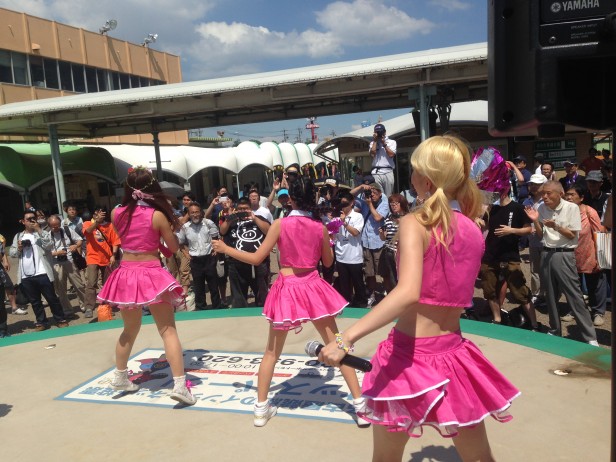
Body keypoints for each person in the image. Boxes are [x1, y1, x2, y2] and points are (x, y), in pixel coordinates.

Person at [319, 135, 520, 462]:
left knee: (385, 458)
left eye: (413, 169)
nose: (409, 175)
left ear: (425, 179)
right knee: (480, 457)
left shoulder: (415, 223)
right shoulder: (472, 228)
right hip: (455, 355)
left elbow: (408, 291)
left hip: (407, 358)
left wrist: (345, 338)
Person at [212, 177, 369, 428]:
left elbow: (256, 258)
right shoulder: (319, 226)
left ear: (291, 199)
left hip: (287, 289)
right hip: (313, 287)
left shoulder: (280, 224)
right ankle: (360, 406)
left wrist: (225, 248)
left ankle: (261, 409)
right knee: (339, 344)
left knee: (271, 352)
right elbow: (328, 262)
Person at [97, 166, 196, 405]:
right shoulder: (157, 215)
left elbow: (129, 238)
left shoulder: (116, 212)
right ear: (152, 187)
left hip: (126, 273)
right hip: (151, 273)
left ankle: (120, 376)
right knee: (168, 330)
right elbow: (173, 248)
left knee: (129, 329)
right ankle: (180, 385)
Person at [525, 181, 598, 345]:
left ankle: (590, 336)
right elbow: (540, 235)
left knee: (574, 295)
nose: (544, 196)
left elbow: (572, 235)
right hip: (546, 252)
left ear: (560, 194)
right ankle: (555, 330)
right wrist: (535, 220)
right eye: (543, 193)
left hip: (564, 253)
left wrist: (556, 226)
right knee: (550, 295)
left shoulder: (571, 208)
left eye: (548, 193)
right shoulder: (542, 208)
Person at [480, 186, 538, 329]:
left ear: (505, 191)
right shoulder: (491, 208)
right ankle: (497, 319)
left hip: (510, 255)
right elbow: (485, 225)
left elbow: (528, 229)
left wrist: (511, 230)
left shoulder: (517, 207)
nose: (494, 194)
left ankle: (534, 324)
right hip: (490, 255)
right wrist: (477, 220)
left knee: (520, 291)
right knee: (489, 289)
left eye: (496, 192)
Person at [9, 209, 68, 331]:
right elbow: (12, 253)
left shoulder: (42, 232)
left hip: (42, 272)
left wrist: (39, 230)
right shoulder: (19, 236)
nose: (31, 221)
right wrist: (19, 248)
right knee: (35, 301)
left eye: (33, 218)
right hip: (26, 275)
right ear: (23, 221)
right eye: (28, 219)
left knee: (52, 298)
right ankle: (41, 322)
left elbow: (49, 245)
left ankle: (60, 319)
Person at [563, 185, 608, 327]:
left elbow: (599, 233)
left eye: (572, 194)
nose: (569, 197)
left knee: (595, 284)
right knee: (572, 285)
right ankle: (576, 310)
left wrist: (601, 256)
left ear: (581, 197)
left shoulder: (589, 212)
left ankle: (598, 312)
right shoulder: (564, 212)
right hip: (570, 254)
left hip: (589, 253)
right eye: (567, 194)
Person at [220, 197, 270, 308]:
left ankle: (262, 311)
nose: (243, 211)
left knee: (262, 296)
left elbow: (268, 231)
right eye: (240, 209)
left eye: (245, 208)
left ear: (250, 208)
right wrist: (229, 219)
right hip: (236, 264)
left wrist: (254, 219)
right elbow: (222, 231)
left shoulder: (259, 218)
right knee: (239, 299)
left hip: (258, 263)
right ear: (236, 209)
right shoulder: (231, 221)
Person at [351, 182, 390, 307]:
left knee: (383, 272)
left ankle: (389, 295)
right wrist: (361, 187)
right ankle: (372, 294)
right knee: (369, 272)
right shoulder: (365, 201)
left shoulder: (384, 203)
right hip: (366, 241)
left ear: (380, 193)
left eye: (374, 192)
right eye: (370, 192)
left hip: (379, 242)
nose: (372, 195)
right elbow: (349, 196)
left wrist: (369, 205)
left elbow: (378, 218)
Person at [178, 202, 221, 310]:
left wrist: (215, 249)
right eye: (192, 212)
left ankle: (217, 307)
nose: (195, 215)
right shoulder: (185, 227)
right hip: (195, 260)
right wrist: (185, 253)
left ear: (201, 212)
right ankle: (201, 308)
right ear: (189, 214)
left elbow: (216, 237)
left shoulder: (208, 223)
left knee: (213, 285)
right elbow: (180, 242)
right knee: (199, 286)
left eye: (197, 212)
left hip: (209, 258)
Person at [82, 207, 121, 319]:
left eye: (102, 212)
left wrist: (113, 255)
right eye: (98, 212)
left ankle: (106, 306)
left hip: (107, 258)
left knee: (107, 284)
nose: (100, 214)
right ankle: (89, 307)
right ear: (94, 214)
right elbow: (88, 231)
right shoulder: (88, 223)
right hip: (92, 258)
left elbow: (115, 242)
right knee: (91, 282)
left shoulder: (110, 225)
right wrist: (97, 222)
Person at [47, 215, 86, 315]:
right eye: (53, 226)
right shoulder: (46, 236)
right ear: (49, 226)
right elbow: (44, 253)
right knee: (60, 288)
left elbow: (80, 240)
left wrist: (75, 246)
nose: (56, 228)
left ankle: (84, 305)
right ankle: (67, 309)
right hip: (56, 263)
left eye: (57, 225)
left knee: (79, 285)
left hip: (69, 261)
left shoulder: (67, 230)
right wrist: (57, 253)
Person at [334, 191, 367, 307]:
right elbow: (334, 235)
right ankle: (346, 304)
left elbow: (355, 232)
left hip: (354, 256)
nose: (343, 206)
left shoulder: (358, 216)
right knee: (344, 285)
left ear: (352, 203)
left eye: (345, 203)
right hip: (341, 255)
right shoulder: (337, 217)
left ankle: (361, 303)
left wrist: (344, 223)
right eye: (341, 203)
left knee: (358, 283)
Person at [523, 174, 548, 306]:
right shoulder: (526, 202)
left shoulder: (548, 202)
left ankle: (548, 293)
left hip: (547, 241)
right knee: (535, 269)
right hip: (533, 241)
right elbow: (523, 221)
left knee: (547, 269)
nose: (533, 187)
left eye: (537, 184)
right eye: (532, 184)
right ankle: (537, 294)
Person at [378, 193, 410, 293]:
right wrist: (382, 233)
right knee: (391, 277)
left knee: (403, 277)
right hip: (389, 251)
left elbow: (410, 235)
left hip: (402, 252)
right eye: (391, 204)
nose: (393, 206)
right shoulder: (389, 218)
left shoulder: (408, 217)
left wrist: (402, 224)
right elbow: (384, 238)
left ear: (402, 203)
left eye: (396, 203)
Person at [368, 123, 397, 197]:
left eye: (380, 131)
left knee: (388, 196)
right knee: (378, 196)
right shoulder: (372, 143)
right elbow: (372, 154)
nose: (379, 133)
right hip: (376, 172)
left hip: (388, 171)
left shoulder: (392, 142)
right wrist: (375, 141)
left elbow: (391, 155)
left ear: (385, 132)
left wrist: (384, 144)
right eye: (377, 132)